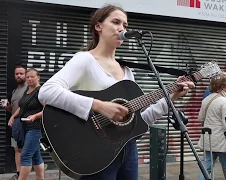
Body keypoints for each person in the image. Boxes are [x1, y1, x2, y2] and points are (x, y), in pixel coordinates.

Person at [37, 4, 195, 180]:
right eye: (116, 22)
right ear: (99, 26)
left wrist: (170, 98)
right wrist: (99, 106)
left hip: (128, 150)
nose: (121, 28)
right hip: (96, 151)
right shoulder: (85, 60)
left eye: (125, 25)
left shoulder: (127, 71)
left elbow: (140, 121)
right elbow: (47, 91)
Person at [198, 72, 226, 180]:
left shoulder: (206, 100)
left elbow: (200, 118)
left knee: (206, 168)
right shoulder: (225, 102)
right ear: (222, 87)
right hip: (222, 142)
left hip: (209, 140)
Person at [8, 68, 45, 180]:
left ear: (38, 77)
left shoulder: (41, 91)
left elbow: (48, 110)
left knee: (25, 155)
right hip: (25, 127)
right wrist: (13, 116)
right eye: (27, 77)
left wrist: (35, 116)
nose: (29, 79)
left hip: (35, 127)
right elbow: (21, 106)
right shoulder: (27, 90)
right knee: (35, 156)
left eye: (31, 76)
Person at [2, 65, 27, 180]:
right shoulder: (14, 91)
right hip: (15, 124)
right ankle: (18, 173)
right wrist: (8, 107)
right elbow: (14, 108)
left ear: (26, 75)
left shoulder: (29, 89)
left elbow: (24, 107)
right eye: (17, 74)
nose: (19, 75)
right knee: (16, 148)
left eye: (21, 73)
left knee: (24, 148)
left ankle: (24, 174)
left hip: (24, 123)